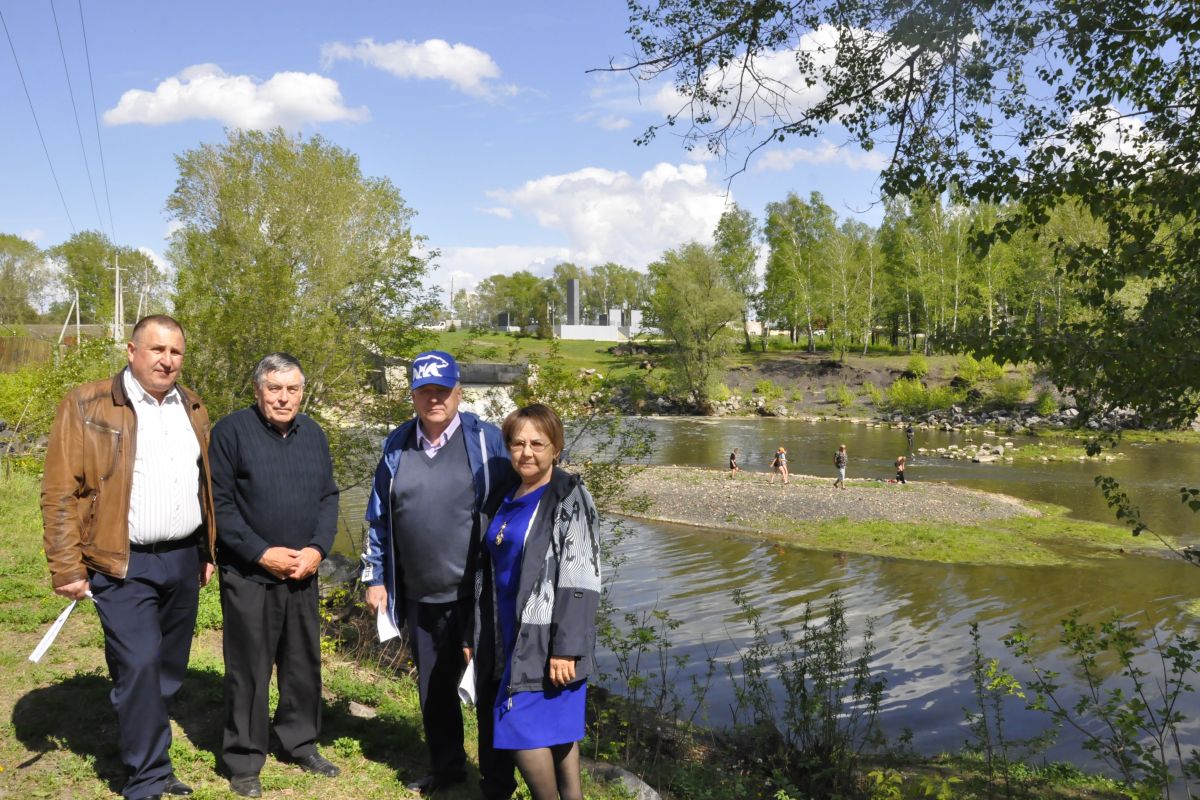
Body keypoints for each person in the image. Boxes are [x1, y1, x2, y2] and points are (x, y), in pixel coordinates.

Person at [41, 315, 215, 800]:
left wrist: (206, 549)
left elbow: (202, 483)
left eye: (176, 352)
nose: (166, 360)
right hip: (121, 559)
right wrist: (67, 566)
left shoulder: (193, 406)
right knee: (138, 663)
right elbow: (59, 490)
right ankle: (148, 776)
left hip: (182, 558)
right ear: (131, 350)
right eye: (156, 349)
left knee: (166, 668)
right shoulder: (87, 403)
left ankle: (142, 729)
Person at [361, 350, 517, 798]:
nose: (434, 399)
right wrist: (376, 578)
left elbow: (517, 507)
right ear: (412, 394)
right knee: (434, 691)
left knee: (487, 688)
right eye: (425, 390)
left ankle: (496, 781)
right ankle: (448, 770)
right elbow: (378, 519)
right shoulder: (396, 445)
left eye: (442, 390)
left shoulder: (487, 442)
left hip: (476, 595)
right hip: (420, 594)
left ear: (458, 392)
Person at [209, 353, 341, 798]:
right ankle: (244, 759)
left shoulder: (314, 434)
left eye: (293, 389)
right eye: (275, 389)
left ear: (302, 392)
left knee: (303, 663)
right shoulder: (231, 432)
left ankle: (299, 742)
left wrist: (317, 549)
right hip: (250, 573)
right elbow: (219, 505)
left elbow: (328, 496)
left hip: (303, 570)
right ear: (258, 390)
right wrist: (260, 553)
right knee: (248, 668)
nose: (284, 398)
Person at [473, 404, 600, 800]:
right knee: (556, 731)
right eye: (517, 443)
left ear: (556, 447)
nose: (526, 452)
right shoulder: (506, 494)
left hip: (546, 637)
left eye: (537, 444)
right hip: (506, 630)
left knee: (520, 728)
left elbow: (582, 577)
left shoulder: (570, 496)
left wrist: (568, 649)